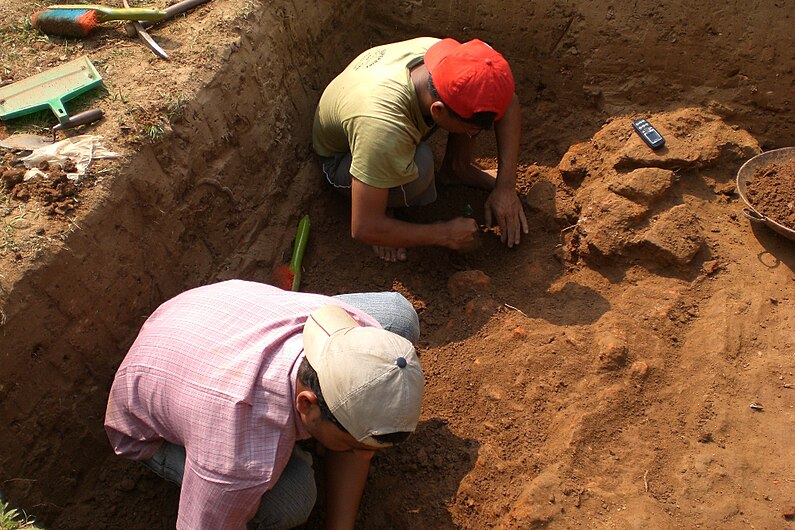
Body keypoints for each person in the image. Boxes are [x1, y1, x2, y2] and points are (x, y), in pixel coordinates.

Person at [104, 280, 424, 530]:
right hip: (142, 417)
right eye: (353, 446)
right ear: (307, 404)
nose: (363, 455)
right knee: (292, 500)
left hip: (201, 316)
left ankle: (318, 440)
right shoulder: (237, 460)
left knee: (396, 316)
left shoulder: (357, 335)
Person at [313, 36, 529, 262]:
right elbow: (363, 227)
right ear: (437, 111)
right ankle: (385, 207)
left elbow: (507, 101)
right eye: (471, 131)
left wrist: (505, 187)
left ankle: (458, 168)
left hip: (367, 113)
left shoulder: (450, 60)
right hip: (342, 158)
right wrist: (444, 234)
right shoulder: (384, 129)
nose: (473, 135)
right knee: (422, 165)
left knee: (470, 107)